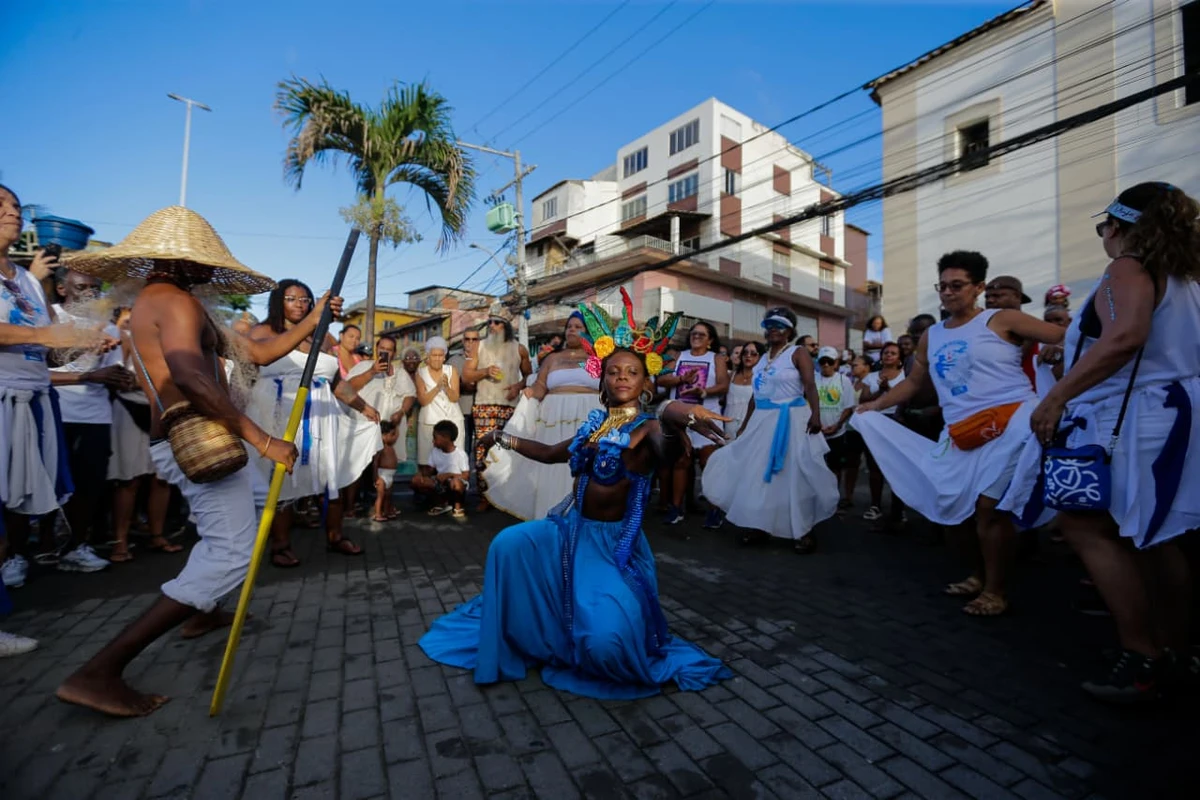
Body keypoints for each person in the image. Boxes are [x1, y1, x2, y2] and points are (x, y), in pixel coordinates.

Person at [54, 204, 341, 716]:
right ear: (183, 261)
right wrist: (263, 439)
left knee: (232, 532)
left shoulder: (162, 299)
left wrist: (314, 320)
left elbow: (254, 356)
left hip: (186, 436)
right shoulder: (178, 304)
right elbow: (190, 377)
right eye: (205, 260)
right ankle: (99, 672)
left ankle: (202, 610)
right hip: (198, 437)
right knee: (231, 555)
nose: (212, 269)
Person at [419, 299, 732, 699]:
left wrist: (676, 412)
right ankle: (525, 630)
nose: (622, 378)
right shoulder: (596, 424)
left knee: (607, 646)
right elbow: (552, 453)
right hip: (570, 531)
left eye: (632, 372)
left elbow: (668, 443)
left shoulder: (649, 427)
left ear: (645, 383)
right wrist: (503, 437)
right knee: (507, 545)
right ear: (602, 381)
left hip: (613, 548)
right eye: (614, 371)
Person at [1006, 182, 1200, 701]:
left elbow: (1125, 335)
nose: (1104, 239)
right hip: (1170, 416)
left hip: (1134, 419)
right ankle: (1174, 650)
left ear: (1117, 226)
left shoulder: (1128, 267)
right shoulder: (1185, 278)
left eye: (1103, 229)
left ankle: (1143, 656)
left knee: (1083, 522)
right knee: (1158, 536)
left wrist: (1057, 397)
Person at [853, 251, 1065, 616]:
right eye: (943, 286)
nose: (948, 293)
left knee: (988, 509)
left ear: (979, 287)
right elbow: (915, 382)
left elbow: (1069, 336)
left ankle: (997, 591)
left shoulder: (1003, 319)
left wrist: (1054, 349)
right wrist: (876, 405)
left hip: (1012, 424)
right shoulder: (932, 335)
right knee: (953, 512)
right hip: (961, 434)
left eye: (957, 285)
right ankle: (978, 575)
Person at [1, 184, 110, 653]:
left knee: (13, 513)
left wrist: (85, 345)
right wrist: (51, 332)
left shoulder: (25, 280)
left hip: (32, 401)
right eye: (0, 205)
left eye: (15, 206)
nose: (11, 212)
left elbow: (50, 347)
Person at [246, 280, 363, 567]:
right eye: (291, 298)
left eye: (305, 299)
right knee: (282, 476)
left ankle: (335, 536)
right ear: (278, 302)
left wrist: (365, 407)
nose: (299, 303)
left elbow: (337, 383)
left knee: (330, 476)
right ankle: (280, 545)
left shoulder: (323, 337)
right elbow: (246, 372)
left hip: (323, 417)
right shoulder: (262, 333)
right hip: (280, 412)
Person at [703, 307, 838, 554]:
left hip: (792, 420)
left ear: (790, 330)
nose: (774, 329)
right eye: (770, 325)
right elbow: (757, 395)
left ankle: (803, 530)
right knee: (757, 473)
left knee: (794, 474)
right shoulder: (763, 359)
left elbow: (809, 384)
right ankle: (759, 525)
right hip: (763, 421)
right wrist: (745, 426)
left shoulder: (798, 353)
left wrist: (816, 415)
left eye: (780, 325)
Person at [49, 268, 134, 572]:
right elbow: (34, 373)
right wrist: (89, 374)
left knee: (88, 487)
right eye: (82, 287)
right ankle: (29, 551)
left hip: (96, 417)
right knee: (47, 485)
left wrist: (122, 379)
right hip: (54, 412)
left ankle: (75, 547)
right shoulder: (49, 319)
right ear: (61, 289)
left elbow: (112, 374)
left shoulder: (108, 329)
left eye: (95, 289)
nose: (90, 295)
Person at [464, 305, 531, 512]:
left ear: (507, 327)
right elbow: (466, 376)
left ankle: (506, 497)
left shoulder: (520, 349)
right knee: (483, 450)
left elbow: (530, 377)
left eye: (497, 323)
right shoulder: (480, 347)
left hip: (509, 407)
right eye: (490, 322)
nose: (492, 326)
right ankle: (486, 497)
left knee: (507, 452)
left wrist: (517, 387)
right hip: (483, 406)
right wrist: (484, 371)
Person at [413, 419, 470, 518]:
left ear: (446, 438)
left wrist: (449, 475)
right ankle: (441, 503)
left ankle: (458, 507)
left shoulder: (460, 454)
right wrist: (421, 475)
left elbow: (466, 475)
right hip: (441, 484)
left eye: (435, 438)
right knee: (416, 481)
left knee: (455, 482)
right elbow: (430, 470)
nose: (433, 441)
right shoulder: (435, 451)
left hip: (455, 484)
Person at [373, 421, 400, 523]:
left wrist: (396, 425)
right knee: (381, 496)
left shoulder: (390, 446)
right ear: (383, 436)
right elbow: (375, 463)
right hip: (382, 475)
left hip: (390, 476)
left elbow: (397, 435)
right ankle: (378, 513)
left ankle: (387, 511)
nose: (394, 437)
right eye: (391, 435)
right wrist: (375, 477)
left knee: (388, 496)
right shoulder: (380, 448)